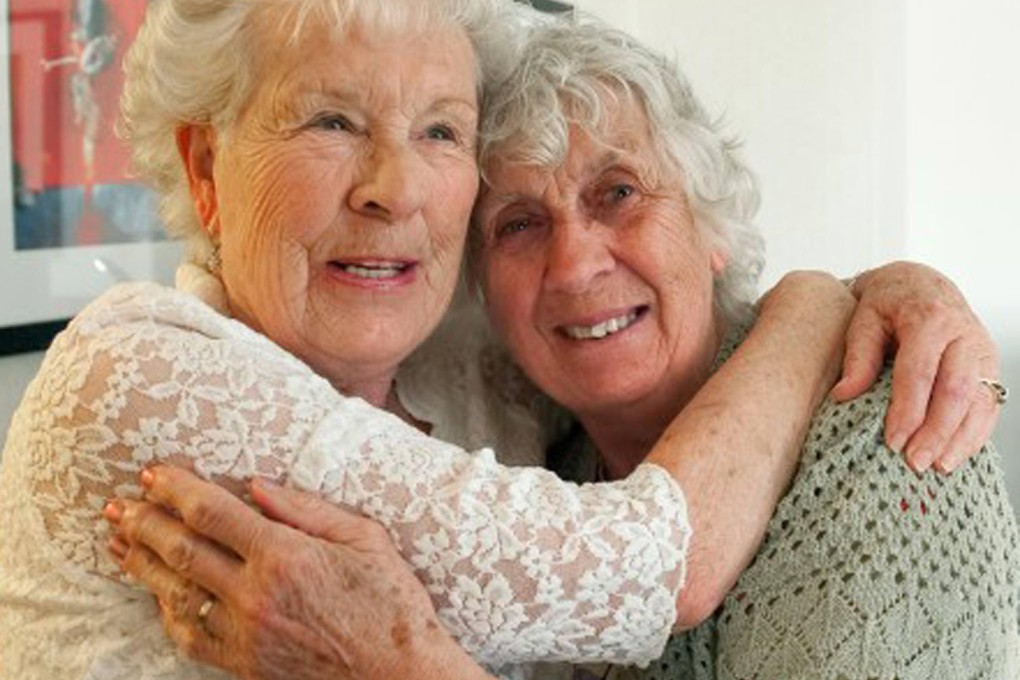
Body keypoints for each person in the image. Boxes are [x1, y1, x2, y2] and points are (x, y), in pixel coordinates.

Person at [0, 1, 1004, 678]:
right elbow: (657, 557)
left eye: (440, 132)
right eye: (332, 121)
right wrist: (818, 301)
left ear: (714, 225)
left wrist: (867, 287)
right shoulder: (140, 369)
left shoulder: (478, 391)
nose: (392, 189)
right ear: (208, 168)